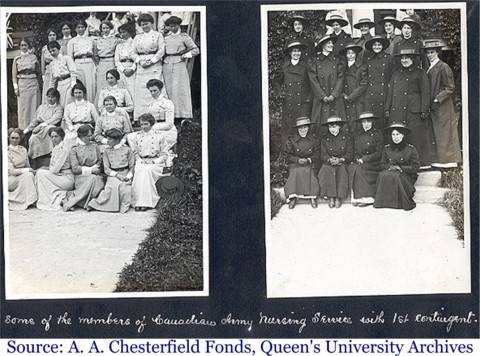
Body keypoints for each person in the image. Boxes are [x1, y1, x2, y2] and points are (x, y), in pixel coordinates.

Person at [385, 48, 434, 168]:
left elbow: (425, 92)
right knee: (399, 136)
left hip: (414, 111)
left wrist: (424, 110)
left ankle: (420, 164)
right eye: (402, 58)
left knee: (415, 137)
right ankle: (400, 163)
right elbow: (390, 92)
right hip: (397, 111)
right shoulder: (396, 73)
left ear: (412, 59)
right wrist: (387, 108)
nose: (404, 60)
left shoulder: (420, 73)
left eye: (407, 58)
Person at [424, 39, 462, 168]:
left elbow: (450, 88)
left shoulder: (443, 67)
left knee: (445, 133)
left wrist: (437, 99)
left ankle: (448, 161)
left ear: (438, 53)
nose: (430, 55)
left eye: (432, 52)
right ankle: (440, 160)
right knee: (437, 133)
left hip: (443, 107)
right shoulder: (429, 67)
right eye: (428, 53)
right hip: (434, 107)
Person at [127, 113, 170, 211]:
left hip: (156, 163)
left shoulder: (159, 136)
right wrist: (140, 160)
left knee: (146, 171)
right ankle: (137, 201)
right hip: (142, 161)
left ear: (151, 124)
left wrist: (154, 161)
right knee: (139, 170)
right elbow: (135, 152)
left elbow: (164, 154)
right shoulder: (137, 136)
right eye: (141, 124)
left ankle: (146, 202)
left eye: (146, 124)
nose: (143, 126)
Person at [273, 40, 312, 145]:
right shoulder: (284, 67)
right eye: (294, 51)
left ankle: (303, 152)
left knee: (303, 127)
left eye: (298, 51)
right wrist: (280, 93)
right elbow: (276, 81)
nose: (297, 53)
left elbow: (312, 83)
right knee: (288, 128)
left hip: (303, 103)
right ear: (290, 53)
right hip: (289, 102)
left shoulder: (306, 66)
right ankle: (287, 153)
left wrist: (309, 99)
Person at [88, 128, 135, 213]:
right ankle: (97, 204)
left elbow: (132, 166)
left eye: (110, 139)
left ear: (117, 140)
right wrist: (117, 175)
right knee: (110, 188)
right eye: (107, 138)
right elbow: (106, 169)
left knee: (124, 188)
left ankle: (124, 205)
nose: (107, 141)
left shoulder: (127, 149)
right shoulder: (107, 151)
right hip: (113, 174)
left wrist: (128, 177)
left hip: (125, 173)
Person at [374, 123, 419, 210]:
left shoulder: (410, 149)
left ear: (403, 135)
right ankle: (384, 202)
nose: (395, 137)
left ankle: (399, 203)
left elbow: (415, 167)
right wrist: (389, 167)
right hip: (390, 170)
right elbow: (382, 164)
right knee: (382, 175)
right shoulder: (387, 148)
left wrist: (401, 168)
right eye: (393, 134)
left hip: (406, 175)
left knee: (397, 176)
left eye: (398, 134)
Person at [163, 15, 199, 121]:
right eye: (170, 26)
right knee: (168, 89)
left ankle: (182, 114)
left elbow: (195, 49)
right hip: (167, 63)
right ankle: (170, 115)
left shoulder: (184, 37)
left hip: (179, 63)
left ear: (178, 25)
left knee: (179, 88)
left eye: (174, 26)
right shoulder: (165, 38)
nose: (172, 28)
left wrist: (186, 55)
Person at [61, 124, 104, 211]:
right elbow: (75, 169)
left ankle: (79, 201)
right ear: (81, 136)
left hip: (96, 174)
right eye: (88, 136)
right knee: (93, 179)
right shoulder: (74, 149)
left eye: (91, 135)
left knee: (97, 180)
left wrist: (96, 167)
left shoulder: (95, 146)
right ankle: (74, 202)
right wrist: (91, 170)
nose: (90, 138)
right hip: (81, 177)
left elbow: (99, 161)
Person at [309, 35, 346, 126]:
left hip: (335, 98)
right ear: (322, 45)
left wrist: (334, 95)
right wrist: (322, 96)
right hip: (321, 98)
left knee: (337, 123)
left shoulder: (337, 60)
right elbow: (313, 79)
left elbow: (341, 77)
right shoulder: (315, 61)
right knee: (321, 124)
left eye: (332, 43)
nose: (331, 45)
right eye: (328, 43)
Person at [133, 13, 165, 117]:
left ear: (151, 23)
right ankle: (141, 116)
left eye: (146, 24)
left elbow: (161, 50)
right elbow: (132, 52)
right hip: (142, 66)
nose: (144, 26)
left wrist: (152, 61)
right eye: (142, 24)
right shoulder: (137, 37)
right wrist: (139, 60)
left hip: (154, 65)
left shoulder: (158, 35)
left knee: (155, 88)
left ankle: (157, 116)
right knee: (142, 91)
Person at [284, 117, 320, 209]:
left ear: (308, 128)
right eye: (300, 128)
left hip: (309, 162)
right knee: (295, 172)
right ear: (297, 129)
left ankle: (312, 197)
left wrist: (309, 159)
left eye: (305, 127)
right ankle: (293, 196)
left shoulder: (314, 139)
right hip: (295, 163)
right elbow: (287, 155)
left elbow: (317, 154)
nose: (303, 130)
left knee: (310, 172)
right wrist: (297, 160)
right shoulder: (292, 140)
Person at [348, 112, 383, 207]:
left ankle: (368, 197)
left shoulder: (377, 134)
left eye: (368, 121)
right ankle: (357, 197)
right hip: (360, 161)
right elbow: (354, 151)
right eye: (364, 122)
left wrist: (365, 159)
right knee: (352, 168)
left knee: (360, 169)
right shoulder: (357, 134)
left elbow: (379, 152)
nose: (366, 124)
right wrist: (357, 158)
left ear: (372, 122)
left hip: (373, 162)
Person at [23, 88, 64, 169]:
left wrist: (42, 125)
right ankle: (34, 161)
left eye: (53, 97)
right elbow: (35, 120)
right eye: (48, 96)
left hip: (50, 128)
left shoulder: (59, 108)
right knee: (33, 139)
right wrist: (27, 129)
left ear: (57, 98)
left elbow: (56, 118)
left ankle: (50, 159)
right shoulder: (41, 107)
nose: (50, 99)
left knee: (51, 130)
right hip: (38, 129)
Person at [318, 116, 353, 208]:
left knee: (342, 170)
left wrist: (341, 159)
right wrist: (329, 159)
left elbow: (350, 153)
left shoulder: (346, 138)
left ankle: (339, 197)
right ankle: (331, 196)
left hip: (342, 161)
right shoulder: (325, 139)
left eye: (334, 126)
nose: (332, 129)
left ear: (339, 127)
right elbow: (323, 154)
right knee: (326, 169)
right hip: (329, 162)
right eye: (330, 127)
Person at [35, 127, 74, 210]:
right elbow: (53, 168)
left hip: (66, 178)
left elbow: (55, 169)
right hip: (59, 176)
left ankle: (47, 201)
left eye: (56, 136)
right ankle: (59, 200)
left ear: (61, 137)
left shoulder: (63, 149)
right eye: (52, 137)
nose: (53, 139)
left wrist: (47, 169)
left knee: (41, 173)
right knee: (43, 176)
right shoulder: (56, 148)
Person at [363, 35, 393, 128]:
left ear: (383, 46)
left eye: (379, 44)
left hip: (384, 94)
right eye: (374, 45)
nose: (377, 47)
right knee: (372, 120)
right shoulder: (368, 59)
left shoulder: (388, 58)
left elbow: (393, 77)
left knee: (383, 121)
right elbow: (365, 77)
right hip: (370, 95)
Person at [12, 38, 41, 130]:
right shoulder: (17, 59)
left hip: (33, 83)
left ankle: (33, 127)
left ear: (28, 46)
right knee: (24, 108)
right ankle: (23, 129)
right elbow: (14, 74)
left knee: (34, 105)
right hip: (22, 84)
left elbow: (38, 71)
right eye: (22, 45)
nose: (24, 47)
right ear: (20, 47)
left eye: (25, 45)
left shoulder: (33, 57)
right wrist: (15, 87)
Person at [339, 43, 367, 133]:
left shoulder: (361, 67)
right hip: (344, 99)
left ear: (356, 54)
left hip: (357, 99)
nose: (350, 55)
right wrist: (343, 94)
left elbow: (363, 84)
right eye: (348, 53)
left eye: (352, 53)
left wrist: (351, 97)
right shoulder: (343, 67)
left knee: (356, 123)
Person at [7, 128, 37, 210]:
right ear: (9, 138)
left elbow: (27, 165)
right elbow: (11, 171)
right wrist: (27, 170)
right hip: (11, 177)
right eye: (12, 138)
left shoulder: (23, 150)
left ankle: (32, 200)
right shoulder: (6, 151)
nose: (14, 140)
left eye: (17, 138)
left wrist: (32, 171)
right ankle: (28, 201)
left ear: (20, 138)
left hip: (24, 174)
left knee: (34, 176)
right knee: (28, 175)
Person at [67, 20, 96, 103]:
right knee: (80, 85)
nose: (80, 29)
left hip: (89, 63)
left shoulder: (91, 40)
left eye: (82, 27)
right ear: (75, 29)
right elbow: (70, 58)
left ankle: (91, 105)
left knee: (91, 86)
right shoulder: (72, 41)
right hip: (78, 64)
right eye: (78, 27)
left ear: (85, 28)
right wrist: (72, 71)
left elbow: (95, 55)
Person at [63, 83, 99, 147]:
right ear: (73, 94)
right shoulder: (69, 106)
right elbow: (66, 118)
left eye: (80, 92)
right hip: (73, 128)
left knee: (78, 139)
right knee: (68, 139)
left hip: (86, 127)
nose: (78, 95)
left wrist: (96, 131)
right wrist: (71, 128)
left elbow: (97, 119)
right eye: (76, 93)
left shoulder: (90, 105)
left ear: (83, 93)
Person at [146, 79, 177, 148]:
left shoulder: (167, 103)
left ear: (160, 90)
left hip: (167, 132)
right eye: (151, 91)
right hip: (154, 130)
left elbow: (169, 124)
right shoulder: (151, 104)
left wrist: (153, 127)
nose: (153, 93)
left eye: (155, 90)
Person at [94, 20, 119, 104]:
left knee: (112, 82)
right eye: (103, 28)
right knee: (101, 84)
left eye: (107, 28)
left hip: (111, 61)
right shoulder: (97, 40)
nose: (105, 30)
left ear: (110, 28)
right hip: (101, 63)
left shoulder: (115, 39)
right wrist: (98, 64)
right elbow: (95, 54)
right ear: (101, 29)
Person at [47, 40, 77, 108]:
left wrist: (73, 84)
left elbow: (73, 71)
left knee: (69, 102)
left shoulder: (66, 58)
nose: (52, 53)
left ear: (58, 49)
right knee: (61, 103)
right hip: (59, 84)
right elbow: (52, 79)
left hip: (68, 82)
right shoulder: (52, 64)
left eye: (53, 50)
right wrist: (51, 90)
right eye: (50, 51)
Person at [115, 23, 137, 107]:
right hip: (122, 70)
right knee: (123, 91)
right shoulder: (119, 46)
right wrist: (123, 69)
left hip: (132, 68)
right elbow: (116, 60)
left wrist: (132, 69)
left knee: (132, 90)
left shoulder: (135, 43)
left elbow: (137, 57)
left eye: (124, 32)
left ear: (129, 32)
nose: (122, 34)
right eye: (121, 33)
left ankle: (134, 112)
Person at [40, 28, 58, 104]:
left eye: (54, 35)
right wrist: (43, 74)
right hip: (48, 70)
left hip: (58, 69)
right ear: (47, 37)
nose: (52, 36)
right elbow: (42, 62)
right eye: (50, 35)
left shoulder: (60, 46)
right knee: (48, 89)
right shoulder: (44, 48)